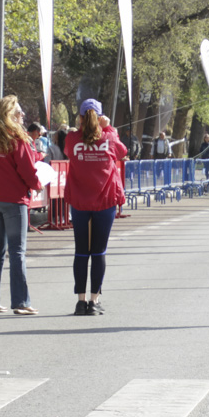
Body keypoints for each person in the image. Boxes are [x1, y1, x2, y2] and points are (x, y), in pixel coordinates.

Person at [0, 95, 42, 315]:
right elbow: (27, 170)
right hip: (14, 199)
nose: (23, 115)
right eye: (19, 112)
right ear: (9, 115)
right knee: (17, 251)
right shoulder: (17, 139)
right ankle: (21, 302)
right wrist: (37, 184)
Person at [64, 98, 128, 316]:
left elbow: (68, 152)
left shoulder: (72, 138)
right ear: (100, 117)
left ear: (80, 117)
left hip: (80, 201)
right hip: (104, 200)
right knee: (99, 251)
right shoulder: (108, 135)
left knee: (81, 251)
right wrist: (108, 127)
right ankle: (94, 300)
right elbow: (122, 152)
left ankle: (80, 301)